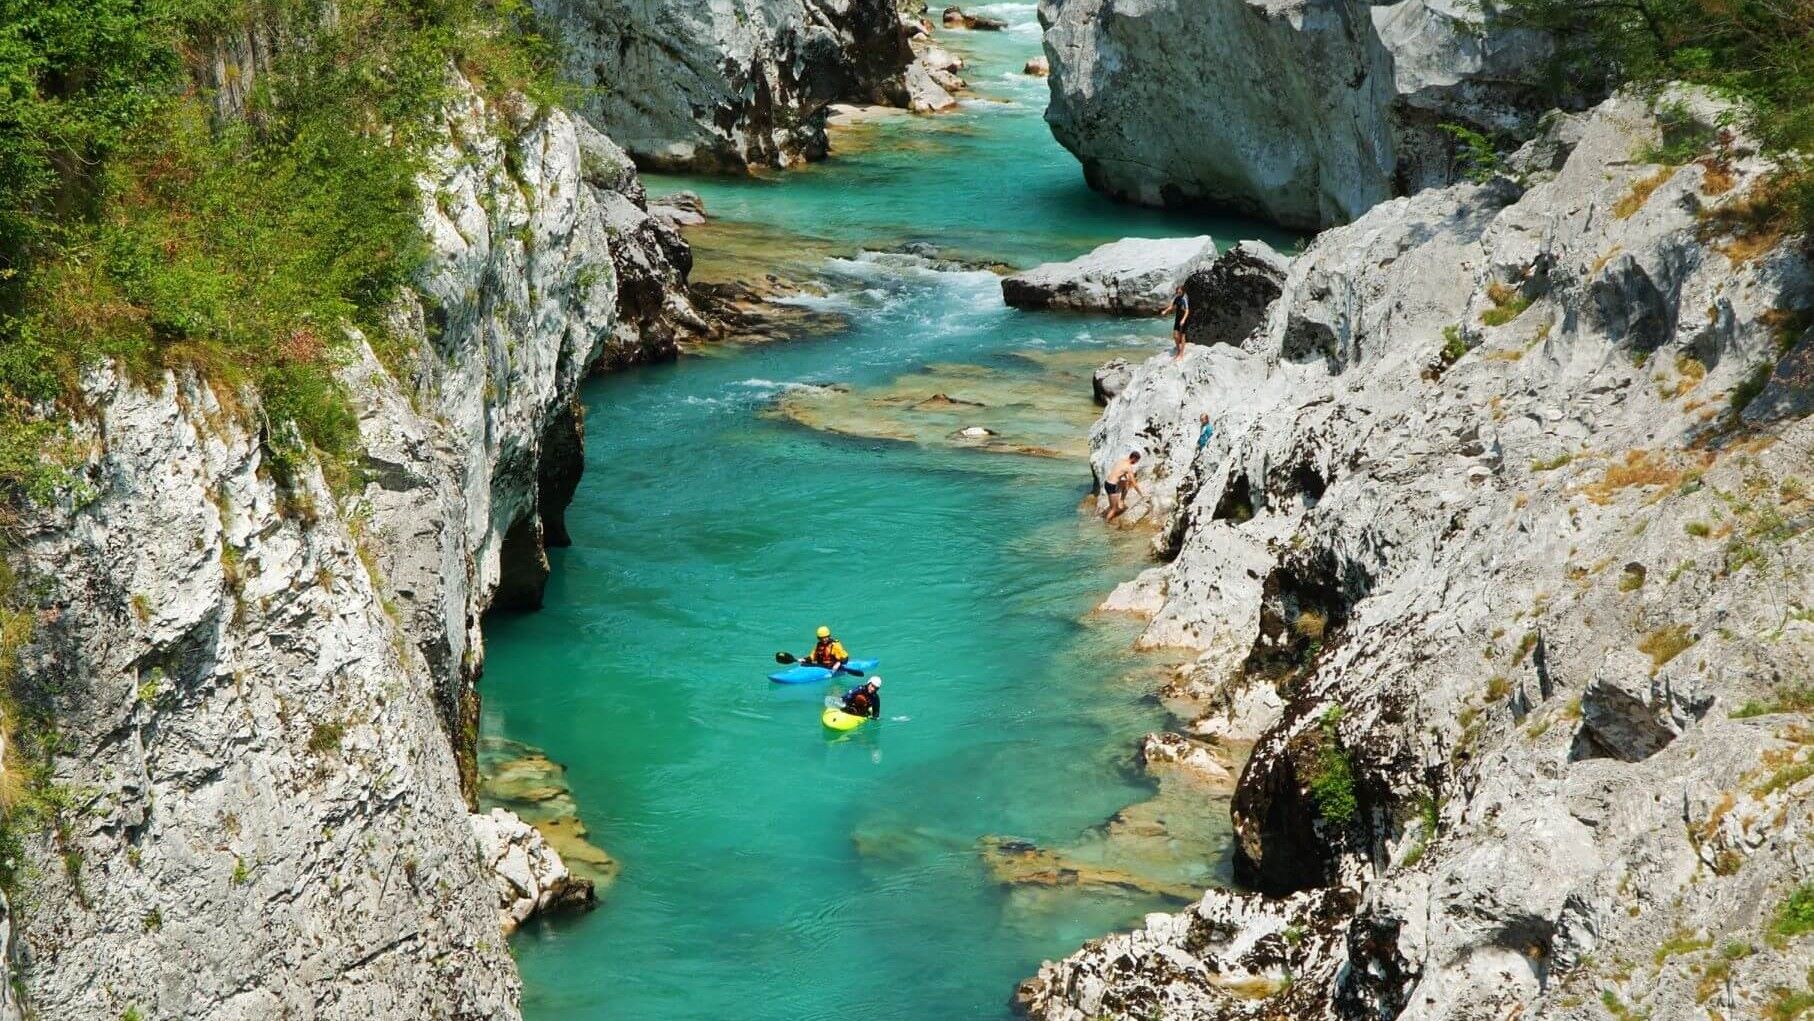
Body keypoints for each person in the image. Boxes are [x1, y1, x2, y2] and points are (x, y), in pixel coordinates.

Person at [1103, 451, 1143, 522]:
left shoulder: (1121, 461)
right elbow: (1134, 483)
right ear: (1134, 458)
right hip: (1112, 486)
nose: (1136, 462)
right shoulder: (1128, 467)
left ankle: (1121, 501)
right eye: (1137, 460)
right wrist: (1140, 494)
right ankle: (1106, 522)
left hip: (1107, 483)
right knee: (1114, 509)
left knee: (1126, 483)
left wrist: (1125, 478)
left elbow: (1119, 472)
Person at [1161, 285, 1191, 361]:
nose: (1178, 293)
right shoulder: (1177, 298)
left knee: (1182, 336)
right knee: (1175, 336)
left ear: (1183, 291)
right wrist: (1166, 311)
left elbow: (1187, 311)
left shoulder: (1184, 299)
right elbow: (1172, 306)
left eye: (1179, 292)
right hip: (1177, 318)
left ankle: (1181, 354)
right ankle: (1178, 350)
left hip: (1183, 319)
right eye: (1177, 292)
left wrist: (1183, 320)